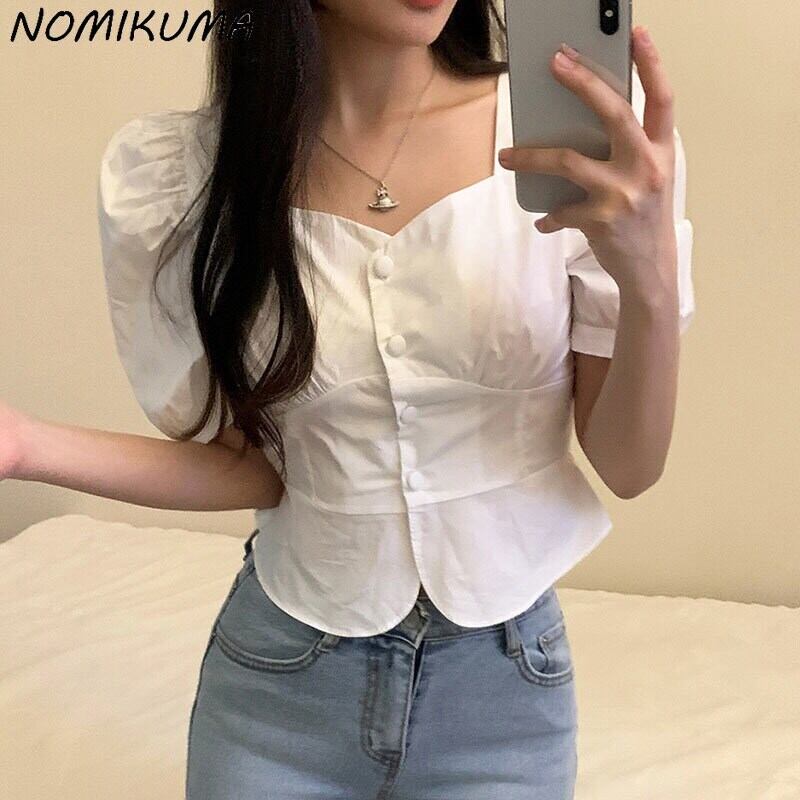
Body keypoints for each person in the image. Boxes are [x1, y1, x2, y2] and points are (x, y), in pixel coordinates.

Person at [1, 1, 696, 797]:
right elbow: (250, 470)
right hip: (277, 697)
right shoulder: (190, 177)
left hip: (503, 707)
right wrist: (22, 444)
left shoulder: (574, 149)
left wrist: (649, 278)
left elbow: (629, 466)